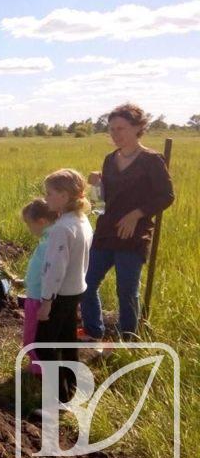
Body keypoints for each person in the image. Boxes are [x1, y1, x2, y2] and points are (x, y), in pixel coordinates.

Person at [82, 103, 174, 341]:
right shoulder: (110, 159)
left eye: (121, 128)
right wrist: (97, 183)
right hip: (105, 231)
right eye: (111, 129)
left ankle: (127, 339)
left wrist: (136, 214)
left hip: (133, 235)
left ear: (137, 128)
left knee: (126, 291)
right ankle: (93, 331)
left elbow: (166, 196)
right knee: (86, 283)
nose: (115, 134)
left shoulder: (152, 160)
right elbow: (104, 198)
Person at [36, 169, 93, 403]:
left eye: (50, 193)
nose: (46, 197)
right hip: (76, 289)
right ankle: (72, 388)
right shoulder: (81, 220)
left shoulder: (61, 228)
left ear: (65, 195)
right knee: (67, 341)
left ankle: (57, 399)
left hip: (59, 295)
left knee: (43, 346)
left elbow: (55, 270)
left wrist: (46, 303)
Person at [21, 199, 58, 376]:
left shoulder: (49, 243)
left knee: (33, 334)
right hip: (39, 294)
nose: (29, 229)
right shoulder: (49, 238)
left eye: (29, 224)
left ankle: (37, 370)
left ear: (41, 222)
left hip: (38, 298)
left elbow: (50, 273)